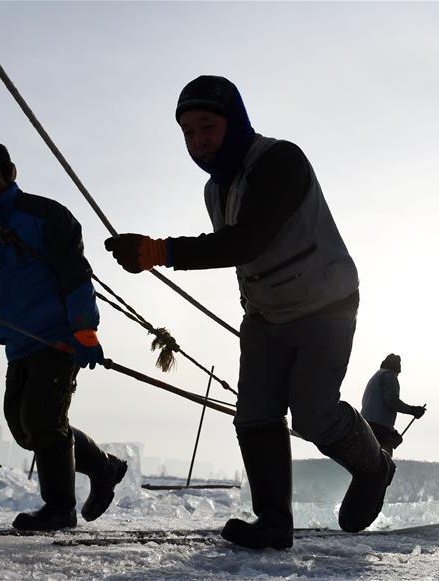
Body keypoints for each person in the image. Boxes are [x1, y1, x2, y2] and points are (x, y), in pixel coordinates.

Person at [104, 75, 395, 550]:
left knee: (312, 413)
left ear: (235, 122)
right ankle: (274, 522)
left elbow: (251, 238)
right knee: (254, 412)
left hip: (326, 305)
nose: (198, 142)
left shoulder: (281, 160)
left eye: (207, 127)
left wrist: (159, 251)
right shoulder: (214, 191)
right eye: (188, 133)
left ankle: (375, 467)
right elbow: (240, 252)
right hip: (265, 314)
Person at [0, 141, 127, 531]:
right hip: (16, 342)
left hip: (58, 337)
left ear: (7, 171)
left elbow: (74, 272)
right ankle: (104, 467)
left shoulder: (46, 215)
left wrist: (85, 329)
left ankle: (59, 509)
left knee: (42, 418)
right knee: (25, 430)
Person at [360, 354, 425, 457]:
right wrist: (412, 410)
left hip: (366, 426)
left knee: (367, 462)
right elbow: (391, 402)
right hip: (378, 429)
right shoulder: (389, 376)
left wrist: (392, 431)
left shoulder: (377, 376)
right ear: (397, 369)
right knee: (383, 466)